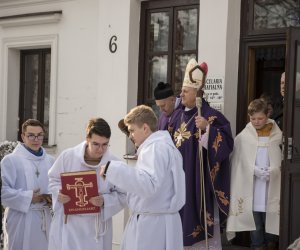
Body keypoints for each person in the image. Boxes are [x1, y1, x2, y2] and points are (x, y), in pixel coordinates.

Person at [99, 105, 186, 250]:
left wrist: (113, 170)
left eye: (132, 130)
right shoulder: (165, 147)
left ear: (145, 128)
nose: (130, 135)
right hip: (162, 221)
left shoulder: (154, 148)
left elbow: (149, 185)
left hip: (152, 226)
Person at [172, 58, 234, 249]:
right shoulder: (176, 115)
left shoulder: (211, 115)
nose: (181, 93)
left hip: (198, 181)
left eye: (186, 90)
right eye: (182, 90)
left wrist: (208, 129)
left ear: (197, 93)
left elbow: (227, 145)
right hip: (177, 179)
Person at [48, 118, 126, 250]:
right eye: (96, 144)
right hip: (70, 224)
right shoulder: (68, 157)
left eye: (105, 144)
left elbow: (124, 194)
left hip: (97, 227)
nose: (101, 149)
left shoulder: (114, 164)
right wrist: (58, 192)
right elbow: (52, 180)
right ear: (87, 139)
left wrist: (105, 200)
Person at [226, 99, 282, 250]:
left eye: (260, 118)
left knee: (271, 218)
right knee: (255, 221)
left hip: (271, 183)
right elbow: (238, 160)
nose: (256, 122)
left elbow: (283, 157)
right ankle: (257, 245)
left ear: (268, 114)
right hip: (252, 185)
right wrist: (254, 169)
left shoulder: (278, 135)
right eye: (253, 119)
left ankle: (271, 244)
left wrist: (275, 169)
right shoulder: (243, 137)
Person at [1, 119, 55, 250]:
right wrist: (29, 197)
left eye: (40, 135)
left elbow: (57, 186)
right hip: (20, 219)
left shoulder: (50, 161)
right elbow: (3, 191)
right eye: (31, 135)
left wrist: (52, 198)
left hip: (44, 217)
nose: (36, 139)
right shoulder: (11, 161)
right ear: (23, 137)